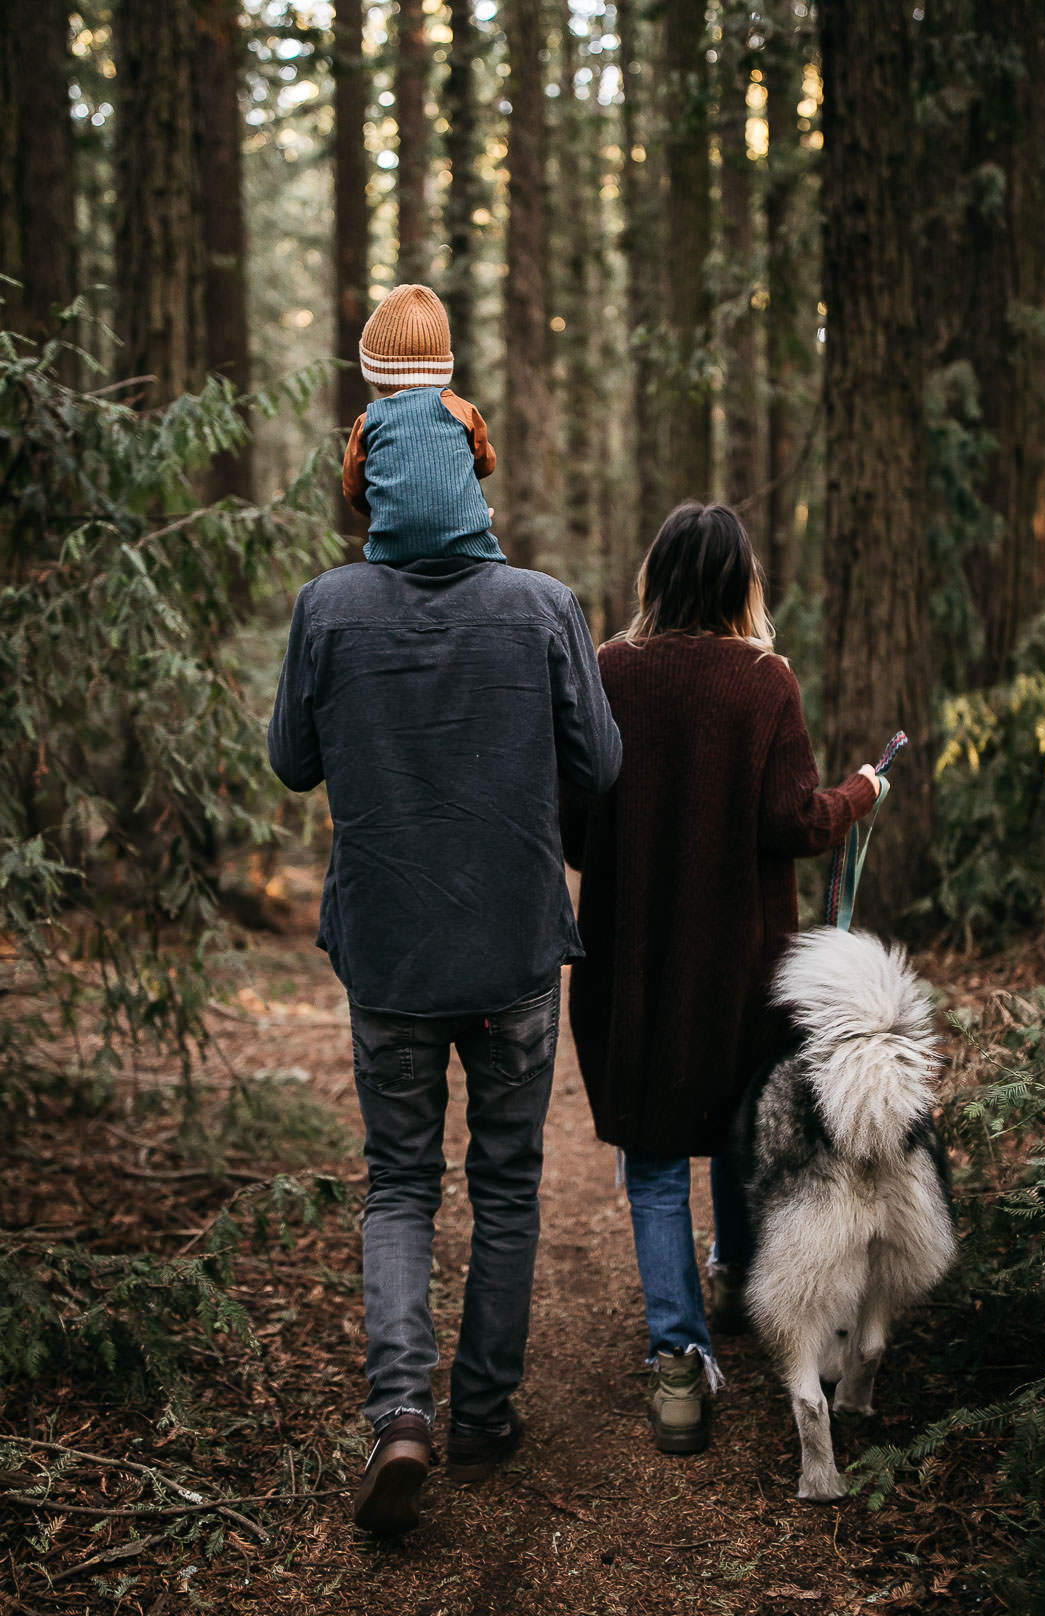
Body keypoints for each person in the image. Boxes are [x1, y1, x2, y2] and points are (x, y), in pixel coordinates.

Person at [268, 539, 621, 1536]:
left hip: (390, 954)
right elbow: (600, 760)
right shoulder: (546, 605)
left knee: (401, 1186)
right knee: (507, 1180)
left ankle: (401, 1417)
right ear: (475, 487)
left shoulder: (327, 607)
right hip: (511, 944)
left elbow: (290, 761)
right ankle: (485, 1414)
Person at [561, 502, 880, 1455]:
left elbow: (578, 829)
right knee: (747, 1133)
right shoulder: (763, 681)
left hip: (634, 970)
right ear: (743, 582)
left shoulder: (611, 671)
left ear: (656, 577)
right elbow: (792, 821)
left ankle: (678, 1365)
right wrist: (862, 794)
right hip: (743, 971)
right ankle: (741, 1281)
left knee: (656, 1163)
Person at [341, 282, 505, 565]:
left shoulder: (369, 422)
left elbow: (354, 491)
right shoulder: (461, 411)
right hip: (466, 545)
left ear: (374, 376)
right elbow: (486, 463)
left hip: (393, 549)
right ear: (442, 367)